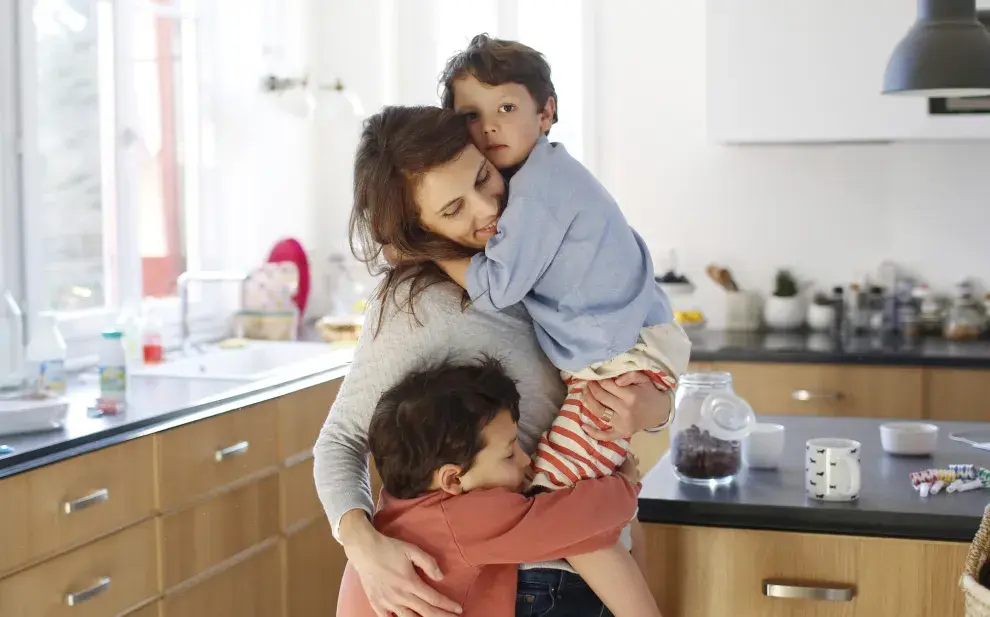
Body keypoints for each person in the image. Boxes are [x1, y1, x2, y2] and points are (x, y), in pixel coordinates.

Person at [313, 104, 673, 617]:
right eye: (453, 210)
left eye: (483, 177)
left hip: (591, 538)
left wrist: (657, 408)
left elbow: (621, 368)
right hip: (531, 578)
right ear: (418, 230)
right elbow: (340, 440)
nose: (487, 209)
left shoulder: (543, 252)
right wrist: (362, 544)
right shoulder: (422, 308)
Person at [432, 34, 691, 616]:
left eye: (507, 108)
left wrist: (419, 250)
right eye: (471, 115)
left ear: (545, 112)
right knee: (597, 488)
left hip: (621, 362)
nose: (490, 127)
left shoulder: (540, 194)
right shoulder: (540, 180)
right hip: (618, 353)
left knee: (560, 494)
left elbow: (495, 288)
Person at [337, 357, 642, 617]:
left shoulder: (392, 507)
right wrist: (624, 485)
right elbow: (573, 518)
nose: (526, 460)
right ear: (453, 479)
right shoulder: (465, 519)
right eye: (510, 454)